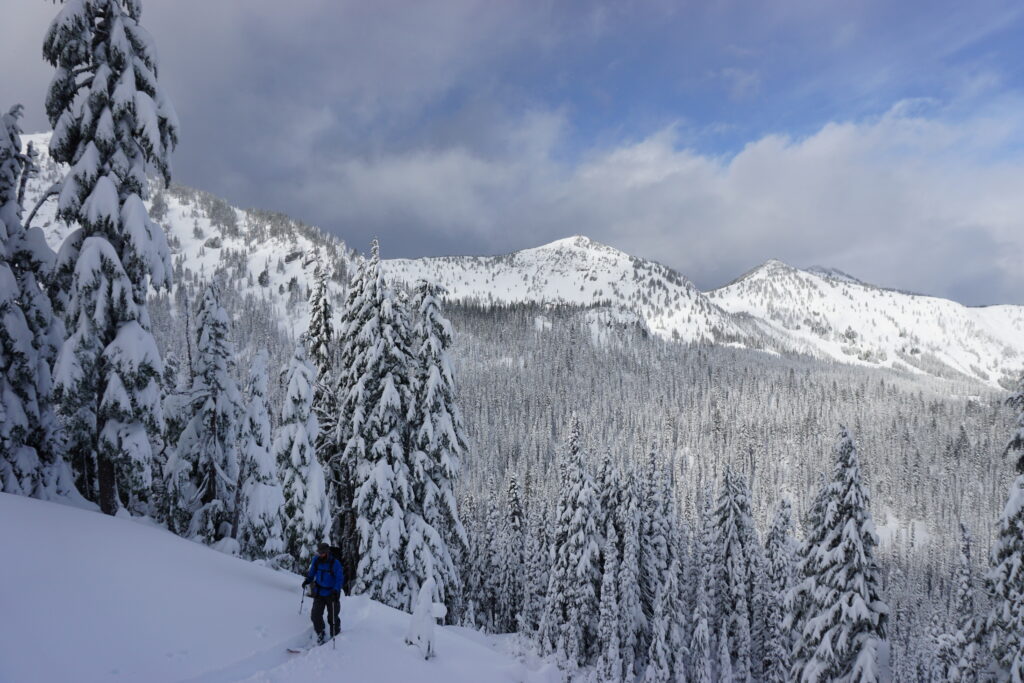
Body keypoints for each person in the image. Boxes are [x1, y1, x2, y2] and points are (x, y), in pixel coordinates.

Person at [302, 542, 344, 644]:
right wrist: (308, 580)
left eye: (322, 553)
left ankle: (336, 636)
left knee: (332, 617)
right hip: (320, 592)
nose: (320, 554)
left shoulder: (335, 563)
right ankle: (320, 634)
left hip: (332, 593)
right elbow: (312, 572)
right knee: (315, 615)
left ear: (327, 552)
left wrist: (336, 590)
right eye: (319, 552)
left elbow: (339, 579)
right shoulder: (316, 560)